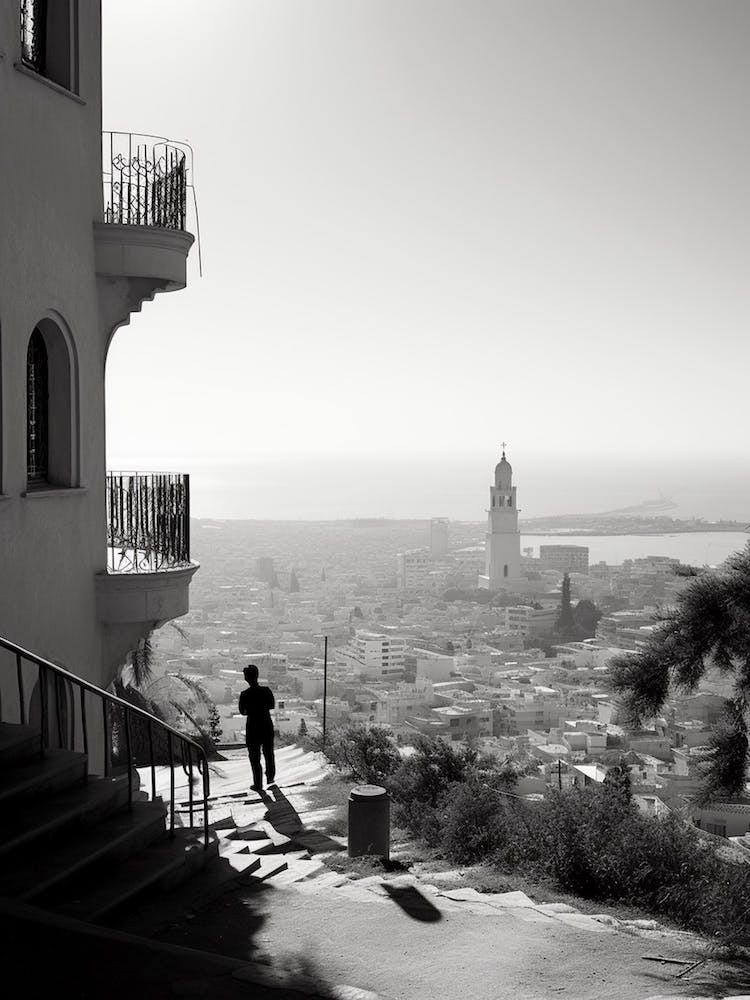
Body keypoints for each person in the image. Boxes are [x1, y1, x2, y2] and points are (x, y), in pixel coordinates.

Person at [239, 664, 276, 792]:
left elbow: (242, 712)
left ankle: (258, 783)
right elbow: (272, 705)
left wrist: (252, 710)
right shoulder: (266, 691)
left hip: (253, 727)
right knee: (269, 753)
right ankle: (270, 777)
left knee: (254, 757)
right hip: (266, 724)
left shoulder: (244, 694)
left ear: (246, 678)